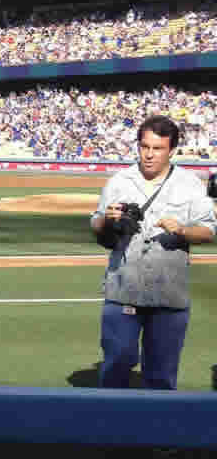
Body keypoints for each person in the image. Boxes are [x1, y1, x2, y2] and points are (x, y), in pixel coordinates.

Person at [90, 114, 214, 388]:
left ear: (171, 150)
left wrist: (182, 230)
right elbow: (96, 225)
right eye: (144, 146)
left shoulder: (190, 184)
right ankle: (109, 425)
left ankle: (156, 429)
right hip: (123, 290)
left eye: (157, 148)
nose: (149, 154)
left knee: (161, 376)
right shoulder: (119, 181)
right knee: (117, 363)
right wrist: (106, 220)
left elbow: (208, 230)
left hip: (169, 294)